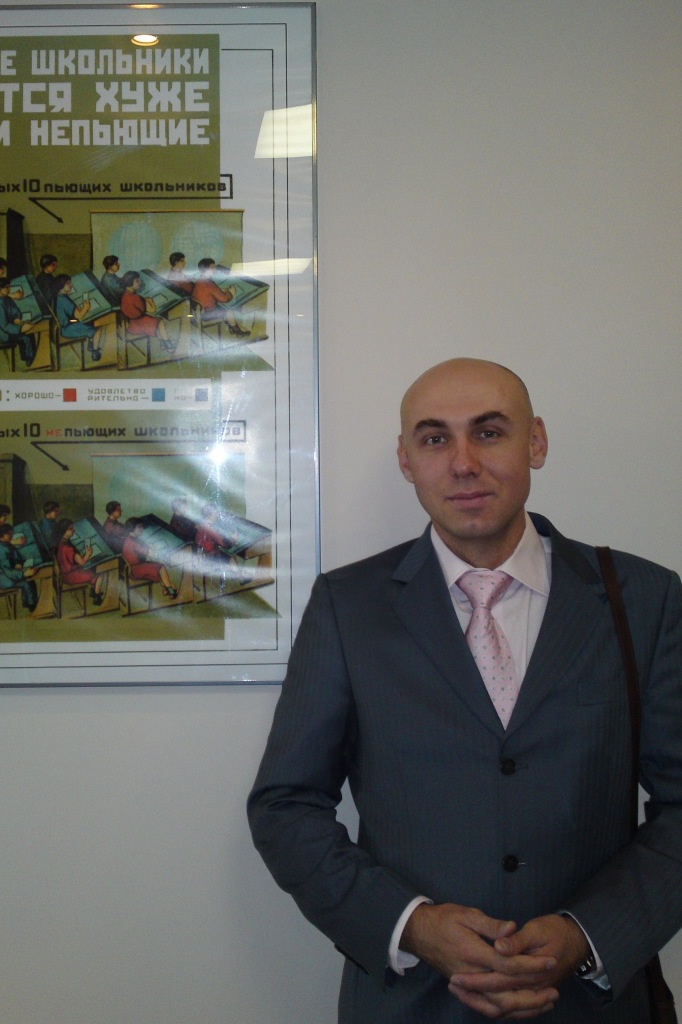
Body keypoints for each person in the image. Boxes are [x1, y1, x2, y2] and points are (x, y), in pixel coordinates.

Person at [247, 357, 682, 1024]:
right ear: (406, 460)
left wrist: (587, 934)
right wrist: (412, 925)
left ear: (535, 442)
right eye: (434, 438)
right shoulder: (348, 605)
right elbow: (285, 806)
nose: (462, 464)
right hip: (412, 1003)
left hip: (591, 1004)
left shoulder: (642, 599)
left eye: (488, 432)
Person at [192, 258, 249, 338]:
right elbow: (224, 299)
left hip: (198, 311)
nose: (215, 270)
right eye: (212, 268)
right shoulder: (208, 284)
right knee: (228, 310)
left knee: (222, 307)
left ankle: (231, 327)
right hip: (207, 314)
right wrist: (231, 293)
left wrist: (220, 291)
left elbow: (209, 292)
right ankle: (237, 331)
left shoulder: (200, 281)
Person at [120, 271, 174, 353]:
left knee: (156, 323)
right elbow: (152, 310)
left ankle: (163, 344)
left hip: (131, 324)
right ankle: (168, 344)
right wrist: (150, 301)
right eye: (137, 281)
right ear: (130, 283)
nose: (140, 283)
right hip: (139, 324)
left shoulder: (125, 296)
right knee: (160, 322)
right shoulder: (135, 298)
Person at [122, 518, 178, 598]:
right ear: (132, 528)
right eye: (139, 527)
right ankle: (171, 591)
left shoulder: (129, 538)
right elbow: (147, 552)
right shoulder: (132, 542)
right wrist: (156, 548)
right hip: (136, 569)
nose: (142, 529)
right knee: (161, 567)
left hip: (136, 567)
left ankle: (166, 588)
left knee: (156, 567)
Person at [54, 518, 104, 606]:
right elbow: (82, 562)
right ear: (63, 531)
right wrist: (88, 554)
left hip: (65, 574)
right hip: (71, 575)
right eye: (70, 529)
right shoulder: (68, 548)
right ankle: (97, 597)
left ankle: (93, 590)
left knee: (93, 568)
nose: (74, 530)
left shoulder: (60, 543)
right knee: (100, 573)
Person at [53, 273, 102, 362]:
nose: (71, 285)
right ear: (61, 286)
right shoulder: (64, 301)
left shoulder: (58, 296)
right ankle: (95, 352)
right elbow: (79, 316)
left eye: (70, 282)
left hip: (66, 323)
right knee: (98, 329)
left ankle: (91, 344)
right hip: (69, 328)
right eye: (68, 283)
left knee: (89, 321)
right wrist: (86, 308)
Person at [0, 523, 38, 612]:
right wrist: (23, 574)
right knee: (27, 582)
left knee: (30, 578)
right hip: (5, 579)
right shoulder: (0, 551)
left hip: (12, 572)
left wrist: (18, 563)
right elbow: (7, 571)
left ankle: (26, 602)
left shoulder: (6, 543)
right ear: (1, 536)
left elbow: (16, 555)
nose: (12, 535)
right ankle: (32, 606)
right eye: (9, 534)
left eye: (11, 533)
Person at [0, 277, 36, 366]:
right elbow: (4, 325)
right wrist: (20, 329)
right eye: (7, 287)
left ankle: (26, 357)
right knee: (26, 337)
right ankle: (30, 361)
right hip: (3, 333)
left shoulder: (6, 298)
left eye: (9, 287)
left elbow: (15, 310)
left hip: (10, 327)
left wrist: (16, 318)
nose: (9, 289)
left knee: (30, 332)